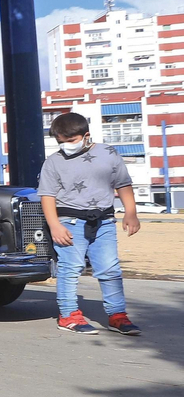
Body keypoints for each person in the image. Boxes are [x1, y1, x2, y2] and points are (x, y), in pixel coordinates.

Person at [41, 112, 142, 335]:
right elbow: (47, 196)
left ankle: (117, 315)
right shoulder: (53, 162)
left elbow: (123, 184)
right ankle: (68, 315)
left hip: (104, 221)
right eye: (60, 142)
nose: (65, 146)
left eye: (71, 140)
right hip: (69, 221)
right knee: (70, 268)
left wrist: (131, 213)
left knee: (110, 268)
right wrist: (55, 225)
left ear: (86, 135)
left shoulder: (108, 153)